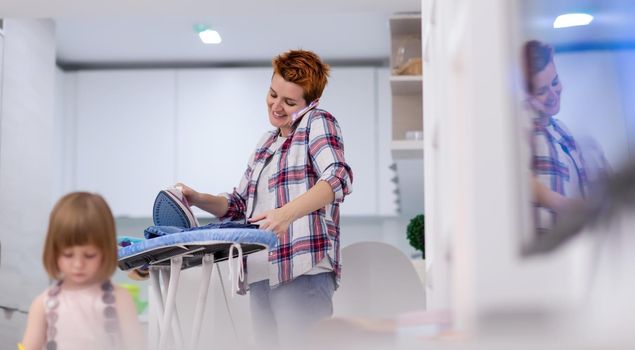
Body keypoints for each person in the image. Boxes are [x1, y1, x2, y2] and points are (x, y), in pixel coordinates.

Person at [177, 49, 353, 346]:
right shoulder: (267, 143)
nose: (277, 106)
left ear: (312, 103)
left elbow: (338, 177)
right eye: (273, 94)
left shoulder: (317, 122)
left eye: (289, 101)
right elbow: (237, 206)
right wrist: (197, 198)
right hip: (261, 271)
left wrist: (286, 213)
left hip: (301, 267)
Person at [21, 192, 143, 350]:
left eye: (89, 255)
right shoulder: (42, 305)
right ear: (54, 251)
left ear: (105, 251)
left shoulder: (120, 299)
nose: (78, 264)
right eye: (68, 255)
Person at [523, 40, 608, 234]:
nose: (554, 94)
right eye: (542, 91)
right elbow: (517, 177)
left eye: (555, 82)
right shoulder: (523, 121)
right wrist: (565, 205)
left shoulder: (560, 130)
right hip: (544, 241)